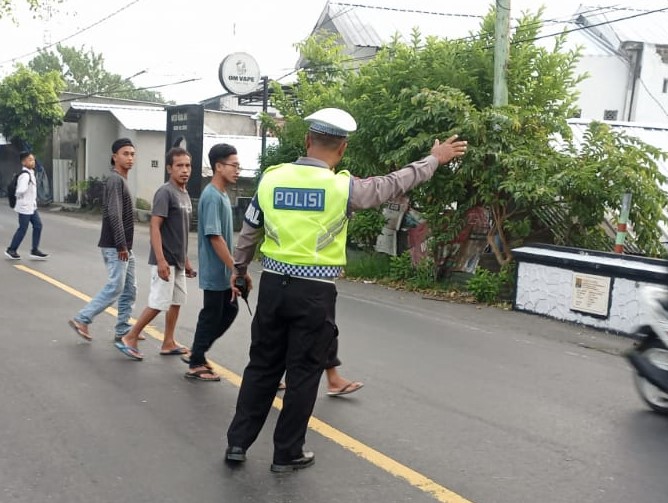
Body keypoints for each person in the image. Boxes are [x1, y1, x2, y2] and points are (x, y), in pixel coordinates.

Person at [225, 107, 467, 472]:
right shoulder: (344, 187)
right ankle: (287, 453)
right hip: (315, 292)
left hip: (273, 286)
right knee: (304, 372)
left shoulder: (271, 179)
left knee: (261, 367)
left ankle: (237, 444)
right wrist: (433, 159)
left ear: (307, 140)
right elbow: (395, 182)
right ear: (342, 149)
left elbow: (249, 231)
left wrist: (240, 270)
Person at [115, 147, 195, 360]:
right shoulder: (165, 192)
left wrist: (185, 261)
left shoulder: (185, 194)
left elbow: (181, 232)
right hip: (165, 260)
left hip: (177, 261)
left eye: (187, 166)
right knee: (159, 303)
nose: (184, 170)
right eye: (179, 166)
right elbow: (155, 227)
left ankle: (168, 342)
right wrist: (160, 260)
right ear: (169, 168)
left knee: (177, 301)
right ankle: (130, 337)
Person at [68, 139, 138, 342]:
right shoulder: (115, 180)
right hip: (116, 246)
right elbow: (114, 215)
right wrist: (121, 244)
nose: (130, 158)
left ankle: (123, 328)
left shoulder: (121, 180)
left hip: (124, 246)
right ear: (115, 156)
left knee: (130, 288)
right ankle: (82, 318)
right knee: (116, 286)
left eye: (132, 154)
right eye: (125, 154)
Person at [184, 144, 241, 381]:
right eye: (234, 166)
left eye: (239, 166)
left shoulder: (222, 195)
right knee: (212, 314)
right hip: (216, 270)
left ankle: (198, 351)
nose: (238, 170)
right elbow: (214, 236)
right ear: (218, 166)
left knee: (229, 310)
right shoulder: (211, 196)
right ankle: (196, 360)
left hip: (223, 271)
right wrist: (234, 267)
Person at [5, 151, 48, 260]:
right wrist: (22, 199)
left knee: (38, 226)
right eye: (29, 160)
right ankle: (11, 249)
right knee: (23, 229)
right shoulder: (25, 175)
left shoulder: (31, 173)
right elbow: (20, 191)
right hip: (25, 207)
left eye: (33, 159)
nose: (32, 162)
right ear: (23, 162)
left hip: (31, 207)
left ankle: (34, 250)